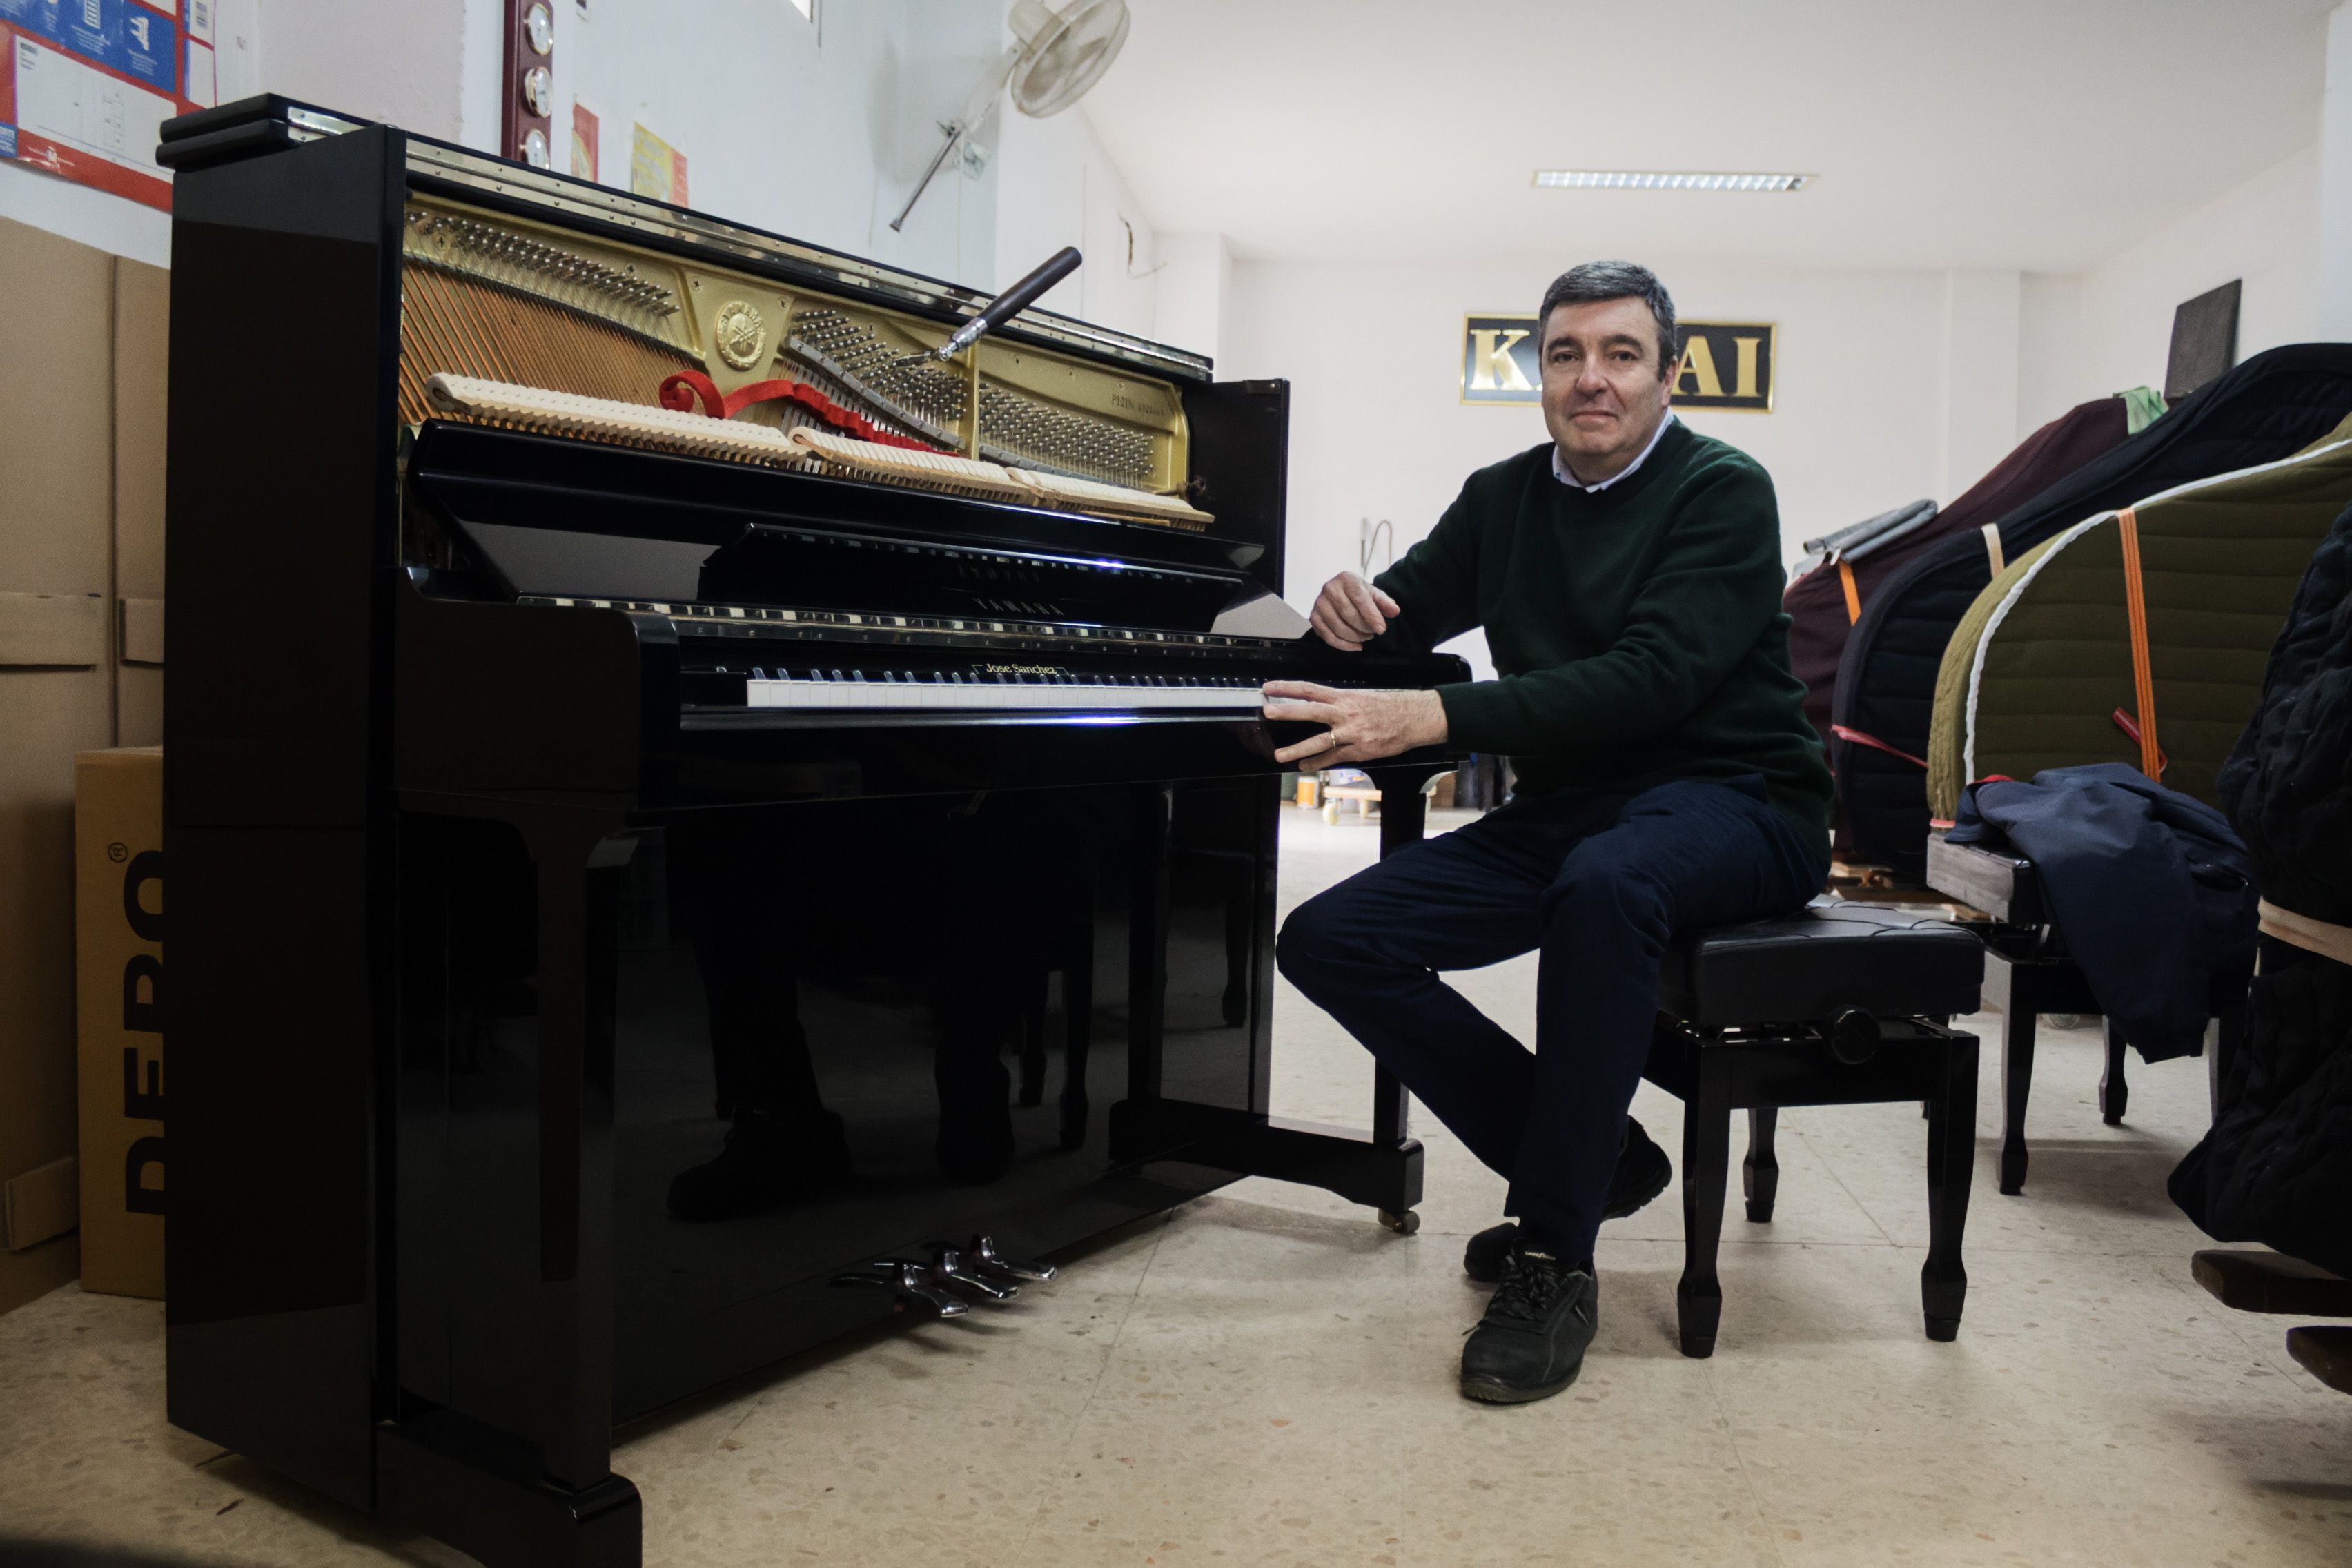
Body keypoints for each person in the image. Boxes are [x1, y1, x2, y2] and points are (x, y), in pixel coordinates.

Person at [1263, 261, 1832, 1404]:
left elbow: (1652, 679)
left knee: (1608, 885)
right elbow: (1398, 621)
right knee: (1331, 939)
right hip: (1578, 810)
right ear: (1541, 374)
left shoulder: (1724, 489)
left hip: (1742, 798)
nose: (1591, 379)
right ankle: (1586, 1159)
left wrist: (1438, 714)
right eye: (1566, 354)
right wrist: (1345, 614)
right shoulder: (1504, 497)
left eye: (1622, 354)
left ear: (1670, 374)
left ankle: (1554, 1254)